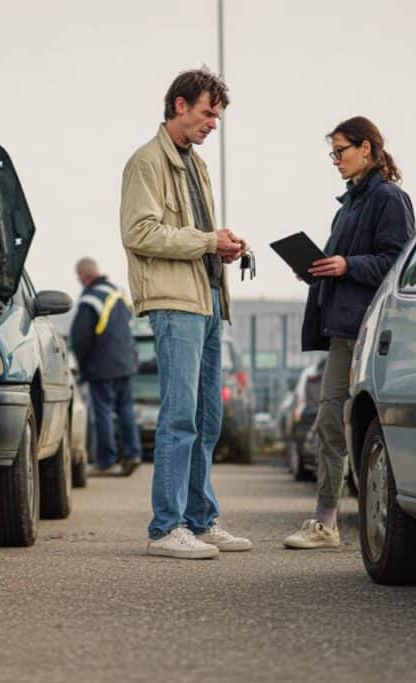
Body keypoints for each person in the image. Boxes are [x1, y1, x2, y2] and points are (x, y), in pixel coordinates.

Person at [120, 68, 252, 559]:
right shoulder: (146, 162)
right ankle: (166, 528)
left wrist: (223, 246)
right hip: (175, 304)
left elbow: (197, 233)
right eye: (206, 113)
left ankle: (200, 520)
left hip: (209, 299)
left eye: (216, 115)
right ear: (179, 105)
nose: (213, 123)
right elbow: (140, 232)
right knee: (180, 418)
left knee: (207, 417)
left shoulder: (195, 164)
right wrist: (205, 240)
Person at [284, 116, 415, 550]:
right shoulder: (350, 205)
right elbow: (344, 261)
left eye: (340, 151)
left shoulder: (390, 199)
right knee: (328, 423)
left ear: (366, 148)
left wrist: (346, 266)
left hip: (372, 330)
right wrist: (319, 271)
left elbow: (398, 262)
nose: (335, 160)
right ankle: (326, 520)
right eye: (333, 153)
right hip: (343, 328)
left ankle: (358, 517)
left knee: (364, 425)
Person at [70, 257, 143, 476]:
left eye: (79, 276)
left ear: (86, 275)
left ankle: (106, 460)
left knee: (102, 412)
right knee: (126, 410)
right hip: (126, 363)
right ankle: (133, 454)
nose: (79, 280)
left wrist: (82, 365)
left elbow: (80, 337)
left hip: (102, 366)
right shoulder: (118, 294)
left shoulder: (90, 299)